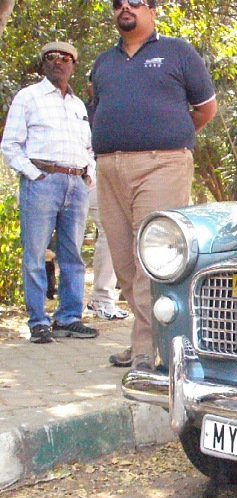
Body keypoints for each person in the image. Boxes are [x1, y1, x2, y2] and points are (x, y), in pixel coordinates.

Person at [91, 0, 217, 368]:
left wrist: (167, 139)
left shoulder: (177, 52)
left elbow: (206, 108)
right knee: (124, 262)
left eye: (134, 1)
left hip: (161, 166)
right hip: (109, 168)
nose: (124, 7)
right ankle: (147, 337)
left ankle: (148, 350)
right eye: (117, 4)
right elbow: (98, 111)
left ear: (152, 10)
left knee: (152, 257)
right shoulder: (102, 62)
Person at [1, 41, 99, 344]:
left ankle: (68, 319)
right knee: (35, 254)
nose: (59, 62)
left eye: (66, 58)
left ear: (73, 66)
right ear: (44, 64)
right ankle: (38, 322)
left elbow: (89, 147)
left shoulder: (78, 105)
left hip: (76, 184)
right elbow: (10, 146)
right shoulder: (28, 97)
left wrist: (88, 174)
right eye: (52, 58)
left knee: (73, 256)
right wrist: (35, 175)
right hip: (42, 182)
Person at [84, 80, 128, 321]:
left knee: (111, 231)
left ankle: (102, 298)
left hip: (106, 177)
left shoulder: (116, 109)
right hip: (82, 178)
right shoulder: (83, 109)